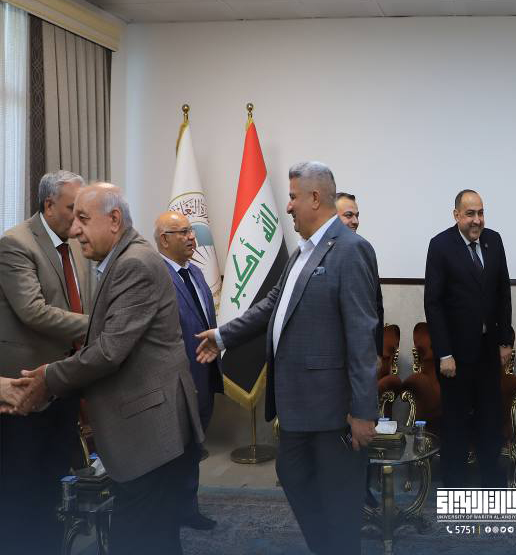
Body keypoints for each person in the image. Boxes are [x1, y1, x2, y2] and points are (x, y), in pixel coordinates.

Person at [7, 183, 204, 555]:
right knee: (153, 536)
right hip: (146, 429)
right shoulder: (120, 260)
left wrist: (47, 378)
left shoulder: (133, 264)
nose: (75, 230)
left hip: (149, 434)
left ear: (114, 220)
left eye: (83, 219)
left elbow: (110, 351)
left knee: (139, 539)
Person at [196, 162, 379, 555]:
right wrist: (223, 335)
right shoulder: (302, 252)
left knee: (339, 502)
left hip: (332, 409)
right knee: (295, 478)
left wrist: (364, 411)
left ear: (315, 197)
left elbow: (362, 337)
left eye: (294, 197)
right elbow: (271, 306)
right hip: (297, 406)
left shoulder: (351, 250)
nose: (289, 206)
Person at [0, 170, 90, 554]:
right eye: (73, 209)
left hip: (63, 381)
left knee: (53, 478)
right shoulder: (15, 243)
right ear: (49, 204)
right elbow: (33, 311)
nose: (79, 218)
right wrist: (99, 327)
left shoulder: (75, 245)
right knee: (22, 485)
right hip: (24, 387)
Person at [424, 189, 513, 487]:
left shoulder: (494, 240)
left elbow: (503, 292)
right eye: (470, 214)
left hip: (488, 352)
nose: (477, 220)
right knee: (456, 424)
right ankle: (454, 486)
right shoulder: (440, 245)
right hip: (456, 356)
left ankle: (492, 487)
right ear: (456, 215)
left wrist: (505, 340)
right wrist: (444, 353)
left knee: (490, 420)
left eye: (481, 213)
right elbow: (433, 303)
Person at [154, 210, 222, 531]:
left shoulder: (195, 272)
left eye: (191, 230)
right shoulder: (156, 277)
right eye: (182, 232)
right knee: (177, 448)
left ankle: (187, 507)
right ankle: (170, 509)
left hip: (204, 375)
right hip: (175, 380)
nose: (192, 237)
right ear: (164, 240)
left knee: (194, 446)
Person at [336, 191, 384, 357]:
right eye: (349, 215)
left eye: (357, 216)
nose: (355, 221)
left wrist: (377, 352)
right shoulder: (314, 251)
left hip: (359, 353)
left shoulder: (362, 249)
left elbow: (376, 305)